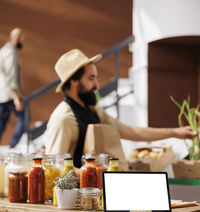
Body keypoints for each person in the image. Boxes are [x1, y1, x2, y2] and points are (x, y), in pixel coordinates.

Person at [45, 49, 196, 168]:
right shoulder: (63, 118)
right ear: (74, 82)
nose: (97, 85)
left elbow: (131, 132)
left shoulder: (94, 112)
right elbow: (53, 166)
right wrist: (88, 172)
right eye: (91, 78)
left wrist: (175, 132)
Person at [0, 28, 24, 148]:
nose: (22, 41)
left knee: (1, 123)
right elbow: (11, 76)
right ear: (16, 39)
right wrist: (16, 98)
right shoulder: (11, 53)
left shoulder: (3, 51)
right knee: (24, 118)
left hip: (2, 95)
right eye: (21, 39)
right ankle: (12, 145)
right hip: (10, 95)